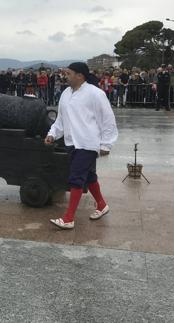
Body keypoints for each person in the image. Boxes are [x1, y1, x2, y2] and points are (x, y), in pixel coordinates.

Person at [44, 62, 118, 230]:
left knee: (76, 178)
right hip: (71, 142)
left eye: (69, 73)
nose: (66, 76)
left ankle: (69, 218)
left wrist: (106, 144)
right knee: (89, 176)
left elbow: (108, 120)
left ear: (80, 76)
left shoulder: (95, 94)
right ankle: (101, 205)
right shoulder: (65, 94)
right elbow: (61, 120)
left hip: (88, 142)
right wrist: (52, 134)